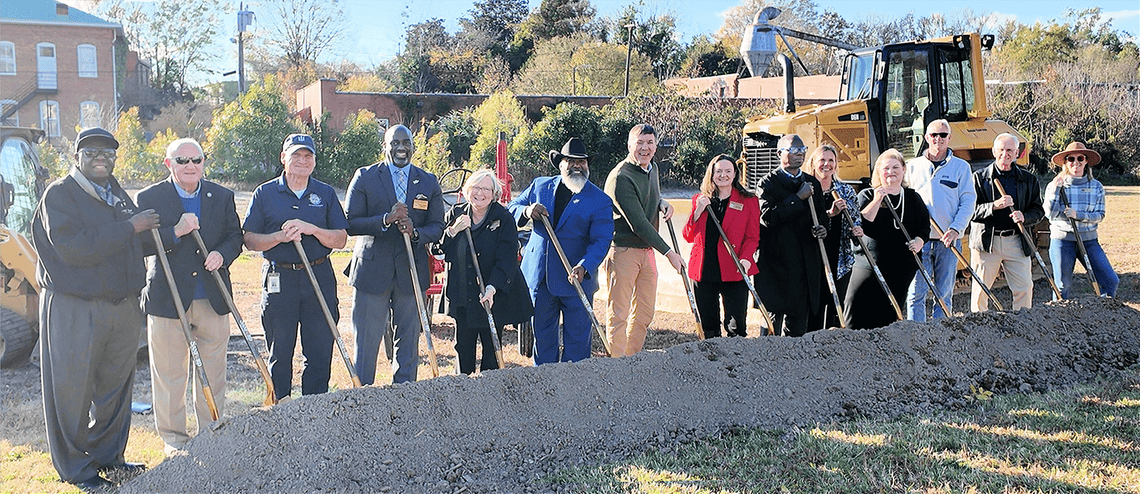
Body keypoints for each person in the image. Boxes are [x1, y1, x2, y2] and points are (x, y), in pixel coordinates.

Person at [31, 127, 159, 489]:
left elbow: (136, 240)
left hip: (120, 307)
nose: (101, 157)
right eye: (91, 152)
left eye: (108, 152)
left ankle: (108, 456)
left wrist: (171, 231)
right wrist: (129, 227)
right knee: (72, 391)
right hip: (75, 308)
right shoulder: (60, 195)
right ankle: (75, 469)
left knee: (115, 390)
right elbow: (75, 248)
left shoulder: (116, 193)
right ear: (76, 157)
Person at [136, 138, 243, 455]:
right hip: (168, 300)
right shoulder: (150, 198)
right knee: (170, 374)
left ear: (203, 162)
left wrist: (222, 256)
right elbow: (140, 245)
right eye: (182, 160)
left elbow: (234, 237)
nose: (190, 166)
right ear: (168, 164)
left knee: (213, 372)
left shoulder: (221, 196)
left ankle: (211, 432)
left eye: (196, 159)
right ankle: (175, 440)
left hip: (212, 298)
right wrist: (176, 232)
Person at [243, 133, 348, 400]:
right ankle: (280, 409)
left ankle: (313, 408)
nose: (302, 161)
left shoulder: (324, 193)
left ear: (314, 161)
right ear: (283, 158)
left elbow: (340, 239)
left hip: (319, 275)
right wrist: (279, 236)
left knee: (320, 349)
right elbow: (250, 240)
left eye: (307, 156)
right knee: (280, 350)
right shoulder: (265, 193)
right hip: (280, 277)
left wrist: (312, 229)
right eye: (296, 156)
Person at [344, 124, 444, 384]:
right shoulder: (365, 177)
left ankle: (404, 398)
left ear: (413, 146)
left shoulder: (428, 181)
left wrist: (415, 233)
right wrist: (386, 219)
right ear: (385, 146)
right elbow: (351, 222)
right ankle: (362, 399)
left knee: (409, 342)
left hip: (411, 274)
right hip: (372, 273)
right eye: (395, 143)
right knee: (366, 342)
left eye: (406, 143)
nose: (401, 147)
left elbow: (437, 226)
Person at [509, 138, 613, 364]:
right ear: (561, 164)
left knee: (577, 343)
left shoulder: (600, 201)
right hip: (541, 279)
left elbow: (602, 240)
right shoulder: (539, 186)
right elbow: (511, 208)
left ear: (587, 165)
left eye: (581, 162)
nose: (576, 166)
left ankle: (573, 389)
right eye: (570, 161)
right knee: (543, 339)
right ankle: (545, 386)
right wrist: (527, 211)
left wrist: (585, 265)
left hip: (576, 280)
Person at [603, 124, 685, 356]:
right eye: (639, 143)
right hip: (624, 250)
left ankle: (632, 359)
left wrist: (661, 202)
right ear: (630, 145)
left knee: (644, 313)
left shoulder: (652, 168)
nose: (645, 148)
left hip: (646, 251)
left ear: (656, 146)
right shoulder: (621, 177)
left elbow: (651, 195)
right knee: (619, 313)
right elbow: (638, 224)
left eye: (649, 143)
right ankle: (618, 366)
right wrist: (669, 253)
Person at [441, 170, 533, 374]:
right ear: (467, 191)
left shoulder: (503, 218)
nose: (480, 193)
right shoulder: (455, 214)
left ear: (494, 194)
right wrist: (453, 230)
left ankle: (489, 397)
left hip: (491, 295)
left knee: (492, 351)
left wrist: (492, 288)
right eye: (476, 187)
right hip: (464, 295)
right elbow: (437, 249)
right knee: (463, 350)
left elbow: (507, 259)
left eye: (485, 189)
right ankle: (462, 393)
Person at [843, 149, 929, 329]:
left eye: (895, 167)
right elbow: (862, 223)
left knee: (889, 316)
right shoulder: (867, 195)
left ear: (904, 169)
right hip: (869, 265)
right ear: (878, 172)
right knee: (855, 311)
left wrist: (919, 241)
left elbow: (923, 227)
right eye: (886, 168)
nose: (891, 172)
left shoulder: (913, 198)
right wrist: (877, 199)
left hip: (901, 267)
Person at [756, 134, 829, 337]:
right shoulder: (767, 184)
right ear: (780, 153)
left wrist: (822, 228)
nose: (799, 154)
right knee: (771, 324)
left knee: (797, 326)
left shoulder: (811, 182)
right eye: (793, 150)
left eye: (802, 150)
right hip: (775, 265)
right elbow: (767, 217)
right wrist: (797, 198)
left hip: (804, 266)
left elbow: (822, 217)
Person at [904, 119, 976, 320]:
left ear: (949, 138)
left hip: (948, 241)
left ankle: (940, 337)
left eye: (943, 135)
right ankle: (916, 336)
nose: (938, 139)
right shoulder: (912, 167)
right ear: (926, 137)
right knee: (916, 294)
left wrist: (955, 229)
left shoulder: (961, 168)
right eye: (934, 135)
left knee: (943, 295)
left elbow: (968, 201)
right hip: (920, 242)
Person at [681, 154, 759, 338]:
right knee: (708, 326)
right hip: (704, 270)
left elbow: (752, 237)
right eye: (718, 171)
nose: (723, 175)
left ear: (734, 174)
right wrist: (698, 210)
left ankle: (735, 363)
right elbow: (688, 235)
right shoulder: (699, 200)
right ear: (712, 174)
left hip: (734, 269)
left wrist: (746, 259)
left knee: (736, 327)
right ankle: (711, 363)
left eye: (727, 171)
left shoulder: (748, 201)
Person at [969, 133, 1045, 311]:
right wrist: (993, 206)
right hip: (987, 243)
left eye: (1010, 150)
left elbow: (1038, 210)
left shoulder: (1029, 180)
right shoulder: (978, 178)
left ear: (1017, 153)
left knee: (1025, 288)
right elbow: (969, 211)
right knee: (980, 291)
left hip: (1017, 241)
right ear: (994, 151)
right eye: (1001, 149)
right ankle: (980, 328)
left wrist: (1025, 217)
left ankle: (1021, 326)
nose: (1005, 154)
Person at [1043, 142, 1119, 299]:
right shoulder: (1056, 185)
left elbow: (1100, 214)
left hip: (1089, 240)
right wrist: (1057, 189)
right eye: (1071, 158)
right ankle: (1060, 319)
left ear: (1086, 161)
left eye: (1080, 158)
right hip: (1062, 241)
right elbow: (1049, 213)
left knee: (1111, 280)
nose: (1075, 162)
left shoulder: (1096, 186)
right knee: (1062, 287)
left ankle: (1104, 314)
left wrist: (1078, 215)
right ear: (1065, 162)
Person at [804, 144, 863, 329]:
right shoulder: (806, 190)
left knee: (836, 307)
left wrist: (857, 231)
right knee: (814, 308)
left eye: (831, 160)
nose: (826, 165)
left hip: (840, 258)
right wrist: (830, 214)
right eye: (822, 160)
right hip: (813, 257)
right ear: (813, 163)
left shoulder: (845, 191)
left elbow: (856, 219)